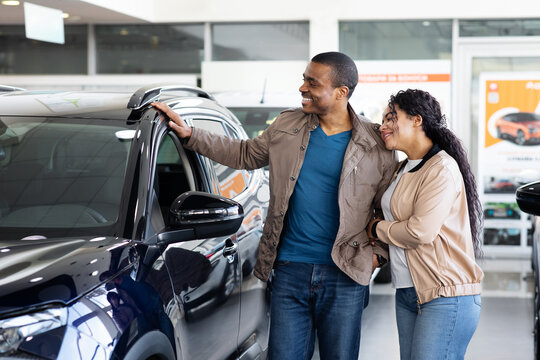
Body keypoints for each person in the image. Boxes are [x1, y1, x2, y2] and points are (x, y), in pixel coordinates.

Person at [152, 51, 398, 360]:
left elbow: (389, 207)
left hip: (345, 274)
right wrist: (191, 135)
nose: (302, 88)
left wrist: (379, 256)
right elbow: (243, 154)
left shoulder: (376, 145)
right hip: (290, 270)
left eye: (312, 82)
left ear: (341, 92)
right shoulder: (287, 125)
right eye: (303, 79)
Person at [367, 89, 484, 360]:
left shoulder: (441, 168)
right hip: (408, 292)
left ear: (417, 120)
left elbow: (419, 231)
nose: (383, 126)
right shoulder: (402, 168)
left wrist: (376, 228)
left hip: (445, 295)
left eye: (391, 118)